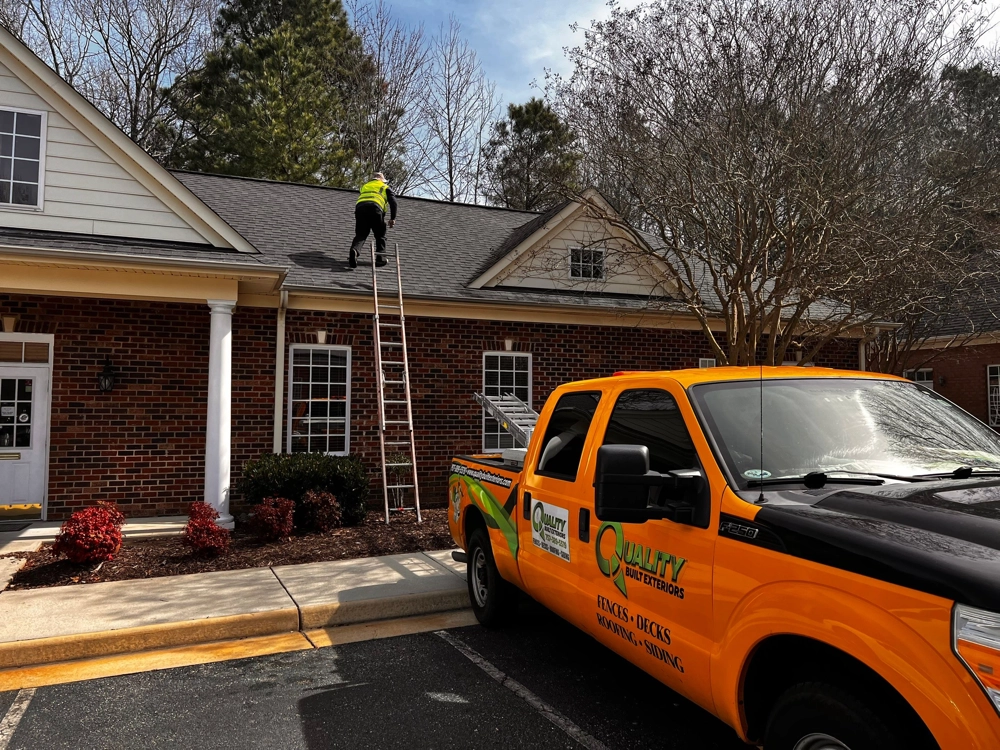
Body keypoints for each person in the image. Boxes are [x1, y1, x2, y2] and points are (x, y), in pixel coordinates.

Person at [348, 171, 398, 269]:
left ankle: (354, 250)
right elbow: (393, 202)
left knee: (361, 234)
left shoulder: (365, 186)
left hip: (360, 209)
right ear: (382, 181)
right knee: (380, 234)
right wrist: (392, 218)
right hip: (375, 209)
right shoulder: (384, 187)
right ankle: (380, 259)